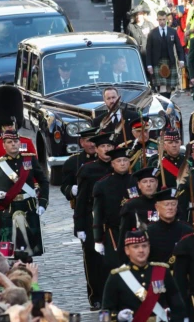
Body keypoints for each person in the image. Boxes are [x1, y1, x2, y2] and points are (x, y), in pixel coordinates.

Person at [0, 129, 49, 257]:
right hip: (8, 210)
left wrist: (42, 203)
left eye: (15, 141)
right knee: (8, 250)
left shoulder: (29, 159)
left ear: (20, 143)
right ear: (4, 145)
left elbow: (43, 181)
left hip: (28, 208)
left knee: (29, 247)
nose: (13, 144)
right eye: (9, 142)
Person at [101, 229, 186, 322]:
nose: (141, 250)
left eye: (144, 246)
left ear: (149, 248)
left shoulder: (162, 271)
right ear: (127, 250)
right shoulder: (117, 276)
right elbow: (104, 315)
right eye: (136, 247)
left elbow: (178, 306)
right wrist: (117, 316)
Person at [75, 130, 116, 310]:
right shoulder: (88, 170)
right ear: (97, 150)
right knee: (93, 261)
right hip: (92, 220)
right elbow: (81, 201)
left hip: (114, 220)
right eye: (103, 146)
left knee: (113, 260)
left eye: (109, 146)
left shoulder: (119, 166)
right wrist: (79, 227)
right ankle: (95, 296)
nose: (106, 149)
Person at [92, 147, 134, 270]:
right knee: (119, 267)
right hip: (114, 232)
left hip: (135, 230)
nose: (122, 163)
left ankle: (138, 290)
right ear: (112, 164)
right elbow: (98, 213)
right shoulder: (102, 185)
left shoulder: (137, 180)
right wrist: (98, 238)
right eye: (119, 161)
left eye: (125, 160)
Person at [146, 188, 193, 264]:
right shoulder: (148, 231)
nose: (170, 208)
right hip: (157, 273)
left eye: (173, 204)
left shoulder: (187, 230)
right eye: (166, 204)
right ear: (157, 207)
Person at [118, 167, 161, 249]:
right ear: (139, 185)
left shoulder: (163, 203)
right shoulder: (131, 205)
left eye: (152, 181)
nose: (149, 185)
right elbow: (124, 236)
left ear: (157, 183)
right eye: (144, 182)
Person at [145, 11, 185, 99]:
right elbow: (148, 50)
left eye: (163, 19)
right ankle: (164, 103)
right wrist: (149, 65)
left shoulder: (172, 32)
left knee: (169, 87)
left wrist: (181, 59)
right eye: (160, 20)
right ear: (157, 20)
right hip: (157, 62)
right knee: (162, 86)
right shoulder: (152, 33)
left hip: (170, 61)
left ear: (166, 19)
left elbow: (179, 47)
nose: (162, 22)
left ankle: (166, 102)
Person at [60, 127, 97, 212]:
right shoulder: (73, 162)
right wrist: (72, 190)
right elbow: (64, 186)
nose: (92, 144)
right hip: (83, 208)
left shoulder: (105, 159)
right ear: (81, 142)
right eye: (88, 141)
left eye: (94, 140)